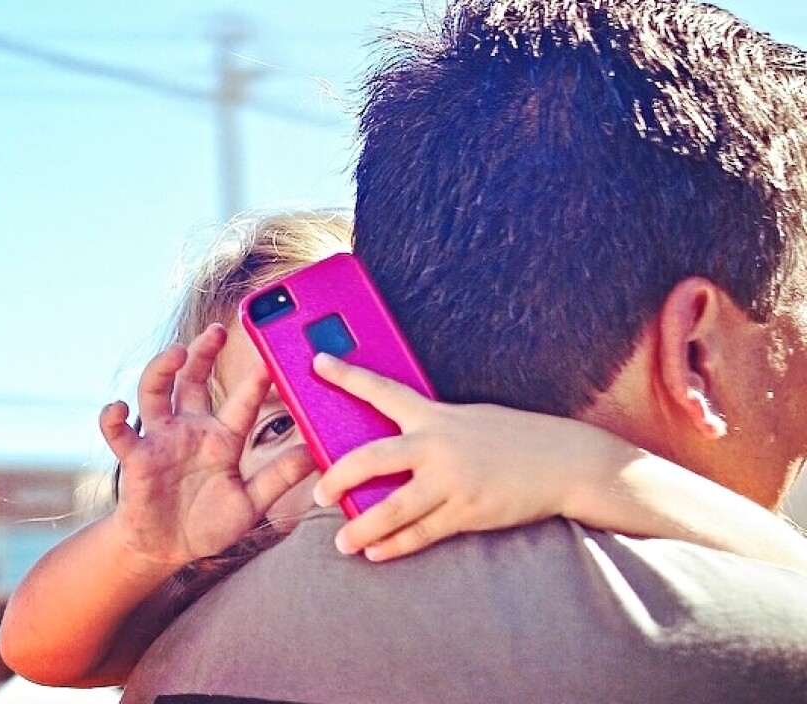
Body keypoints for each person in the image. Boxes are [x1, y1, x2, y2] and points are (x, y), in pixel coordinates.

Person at [122, 1, 807, 702]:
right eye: (275, 425)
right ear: (694, 354)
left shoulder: (176, 663)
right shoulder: (773, 646)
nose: (319, 456)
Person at [3, 207, 807, 693]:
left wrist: (574, 468)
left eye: (368, 383)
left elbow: (768, 568)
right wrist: (145, 547)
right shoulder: (228, 570)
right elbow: (40, 651)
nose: (329, 444)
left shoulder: (509, 503)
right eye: (278, 426)